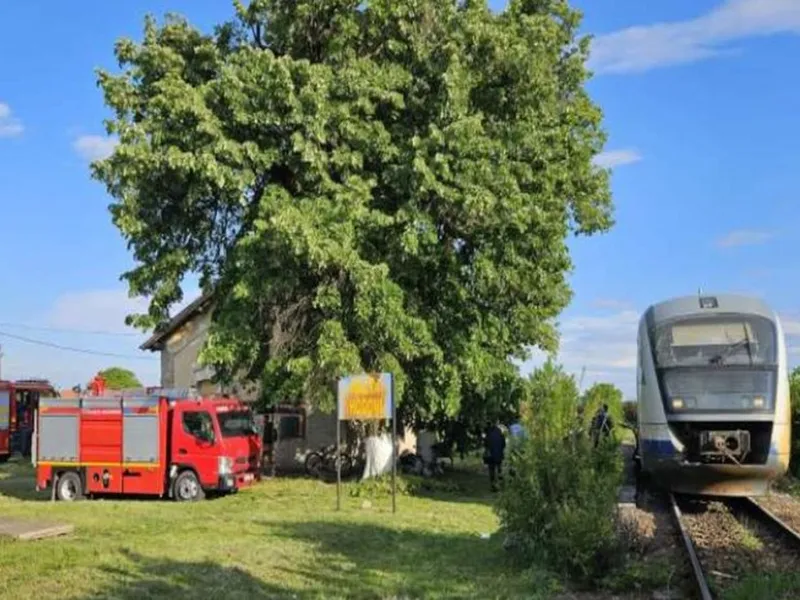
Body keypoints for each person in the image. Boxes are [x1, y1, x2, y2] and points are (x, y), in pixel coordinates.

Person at [484, 421, 506, 492]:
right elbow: (503, 444)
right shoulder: (500, 434)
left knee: (492, 470)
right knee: (499, 469)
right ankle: (501, 484)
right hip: (499, 454)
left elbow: (486, 444)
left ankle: (493, 485)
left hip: (491, 455)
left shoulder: (489, 434)